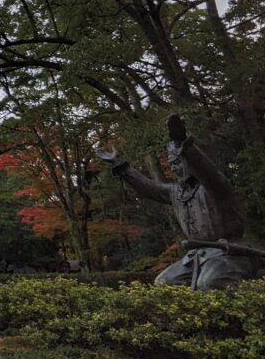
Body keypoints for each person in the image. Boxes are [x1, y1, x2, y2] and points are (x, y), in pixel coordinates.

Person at [96, 115, 256, 289]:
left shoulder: (213, 186)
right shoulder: (176, 191)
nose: (173, 168)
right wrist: (119, 166)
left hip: (228, 252)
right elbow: (149, 188)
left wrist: (185, 145)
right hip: (196, 255)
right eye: (171, 163)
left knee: (209, 283)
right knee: (164, 283)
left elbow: (207, 170)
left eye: (178, 162)